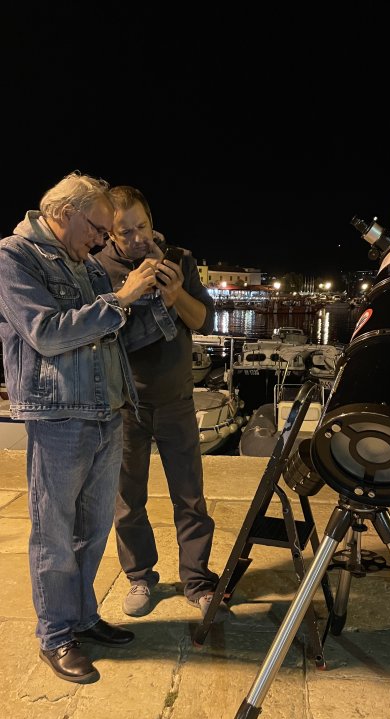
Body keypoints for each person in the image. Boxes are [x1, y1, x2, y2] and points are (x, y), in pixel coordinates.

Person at [0, 172, 157, 683]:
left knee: (92, 530)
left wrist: (154, 296)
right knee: (54, 535)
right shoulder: (15, 256)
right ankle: (56, 635)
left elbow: (108, 333)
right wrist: (120, 299)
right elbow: (45, 334)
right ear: (64, 214)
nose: (102, 240)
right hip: (60, 417)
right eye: (97, 228)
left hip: (107, 413)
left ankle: (84, 618)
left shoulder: (84, 261)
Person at [93, 185, 229, 620]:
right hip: (124, 403)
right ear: (110, 234)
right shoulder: (97, 269)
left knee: (190, 497)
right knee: (127, 500)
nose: (136, 238)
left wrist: (175, 296)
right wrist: (128, 295)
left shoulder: (180, 260)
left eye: (142, 227)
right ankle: (139, 577)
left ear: (152, 222)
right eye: (124, 231)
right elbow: (93, 334)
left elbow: (203, 319)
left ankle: (197, 579)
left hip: (175, 399)